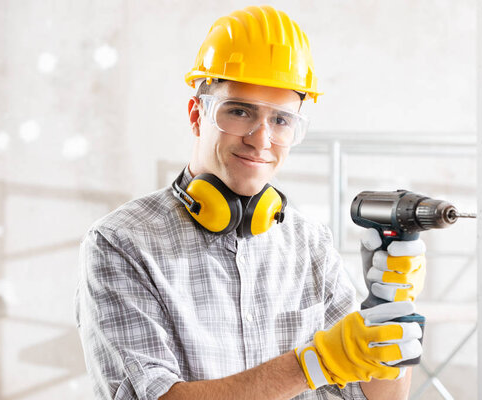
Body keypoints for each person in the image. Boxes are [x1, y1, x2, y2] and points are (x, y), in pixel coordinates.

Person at [75, 5, 427, 400]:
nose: (261, 140)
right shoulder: (121, 242)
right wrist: (314, 363)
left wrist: (392, 310)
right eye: (240, 112)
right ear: (196, 114)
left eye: (281, 121)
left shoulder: (310, 243)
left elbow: (374, 397)